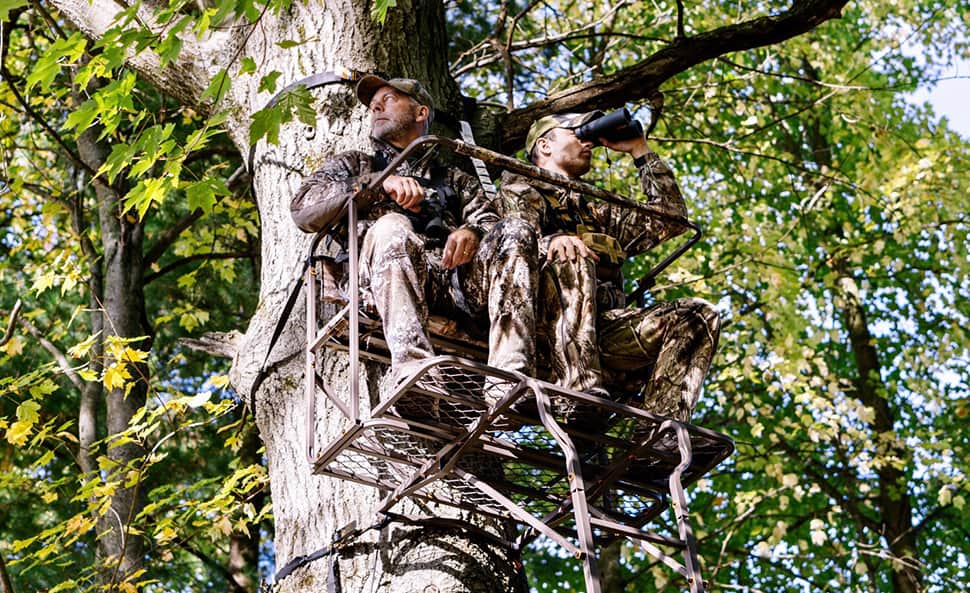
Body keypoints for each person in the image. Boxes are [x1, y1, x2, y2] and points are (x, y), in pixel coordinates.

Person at [290, 75, 537, 401]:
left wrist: (471, 232)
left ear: (421, 113)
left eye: (389, 99)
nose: (376, 106)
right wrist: (376, 183)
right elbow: (302, 210)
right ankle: (415, 376)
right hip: (375, 282)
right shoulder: (356, 164)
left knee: (517, 229)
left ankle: (510, 379)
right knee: (392, 225)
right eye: (373, 104)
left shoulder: (454, 179)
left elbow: (491, 222)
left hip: (452, 283)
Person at [498, 112, 721, 424]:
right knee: (571, 252)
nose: (586, 140)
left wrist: (640, 150)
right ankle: (576, 391)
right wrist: (554, 242)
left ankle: (660, 435)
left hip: (601, 332)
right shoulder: (517, 187)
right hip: (541, 327)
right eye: (575, 132)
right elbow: (513, 241)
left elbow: (671, 219)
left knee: (697, 315)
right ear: (545, 146)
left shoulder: (595, 209)